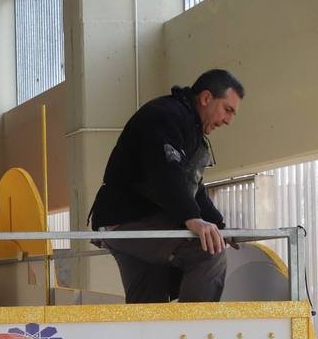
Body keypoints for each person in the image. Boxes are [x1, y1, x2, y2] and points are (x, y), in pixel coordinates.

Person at [88, 68, 244, 303]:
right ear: (206, 98)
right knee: (208, 252)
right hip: (132, 220)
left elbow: (193, 187)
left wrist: (220, 225)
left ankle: (151, 337)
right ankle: (192, 334)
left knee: (148, 301)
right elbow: (165, 173)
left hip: (125, 223)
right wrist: (193, 219)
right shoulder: (166, 116)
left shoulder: (189, 130)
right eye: (228, 110)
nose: (229, 121)